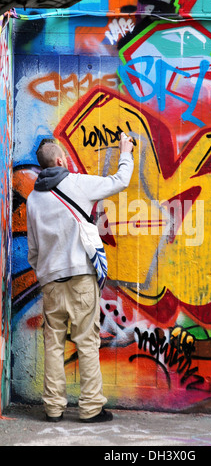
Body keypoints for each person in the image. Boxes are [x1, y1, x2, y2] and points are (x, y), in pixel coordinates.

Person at [26, 133, 134, 423]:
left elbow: (33, 250)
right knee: (87, 341)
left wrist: (46, 271)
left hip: (50, 282)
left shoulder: (33, 199)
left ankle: (52, 408)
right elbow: (119, 181)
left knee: (53, 343)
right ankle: (90, 409)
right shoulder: (77, 183)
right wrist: (126, 151)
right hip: (80, 278)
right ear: (60, 160)